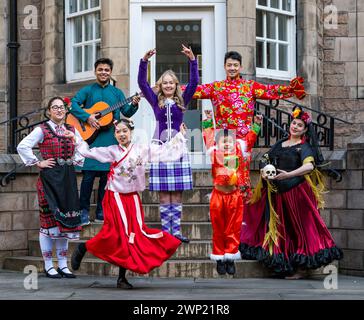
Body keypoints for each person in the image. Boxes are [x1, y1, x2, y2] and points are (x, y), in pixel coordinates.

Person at [70, 118, 189, 289]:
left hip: (132, 197)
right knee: (121, 235)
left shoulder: (142, 149)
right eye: (118, 131)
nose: (121, 134)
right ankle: (86, 249)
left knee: (135, 234)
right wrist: (76, 138)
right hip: (115, 196)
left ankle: (120, 276)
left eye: (124, 130)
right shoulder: (112, 151)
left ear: (131, 132)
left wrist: (180, 137)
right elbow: (89, 152)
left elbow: (164, 151)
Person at [239, 106, 343, 279]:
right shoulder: (281, 143)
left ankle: (301, 268)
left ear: (304, 130)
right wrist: (265, 170)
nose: (295, 126)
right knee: (283, 229)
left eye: (299, 125)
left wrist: (289, 175)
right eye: (294, 123)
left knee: (299, 229)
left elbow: (309, 166)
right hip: (278, 194)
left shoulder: (304, 147)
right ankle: (285, 265)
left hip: (297, 193)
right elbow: (266, 158)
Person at [189, 51, 306, 200]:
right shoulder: (216, 87)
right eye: (229, 65)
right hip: (225, 139)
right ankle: (226, 209)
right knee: (225, 177)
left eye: (235, 65)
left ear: (240, 67)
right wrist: (167, 89)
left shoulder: (249, 87)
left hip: (244, 138)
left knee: (242, 177)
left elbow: (270, 90)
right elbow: (193, 91)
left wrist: (291, 89)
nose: (232, 68)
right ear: (224, 66)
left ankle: (242, 216)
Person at [17, 97, 84, 279]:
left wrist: (76, 149)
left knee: (64, 222)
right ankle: (48, 265)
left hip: (67, 178)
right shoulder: (42, 129)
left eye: (61, 107)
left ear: (66, 110)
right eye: (55, 107)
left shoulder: (71, 130)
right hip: (49, 179)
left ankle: (62, 264)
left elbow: (83, 148)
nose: (59, 110)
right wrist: (38, 162)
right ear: (48, 111)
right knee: (48, 221)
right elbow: (22, 146)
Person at [137, 45, 199, 243]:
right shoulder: (156, 101)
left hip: (179, 149)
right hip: (160, 149)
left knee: (177, 195)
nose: (168, 85)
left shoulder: (183, 100)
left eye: (171, 82)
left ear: (176, 85)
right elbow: (142, 83)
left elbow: (194, 82)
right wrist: (144, 61)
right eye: (165, 83)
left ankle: (176, 232)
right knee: (164, 195)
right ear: (161, 85)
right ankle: (166, 232)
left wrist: (192, 60)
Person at [70, 58, 140, 225]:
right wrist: (88, 117)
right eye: (100, 69)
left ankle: (101, 211)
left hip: (110, 137)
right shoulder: (88, 90)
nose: (103, 72)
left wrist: (135, 105)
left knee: (105, 178)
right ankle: (84, 211)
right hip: (92, 140)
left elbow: (127, 112)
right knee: (88, 177)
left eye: (106, 70)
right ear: (95, 71)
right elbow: (73, 104)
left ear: (110, 72)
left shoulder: (116, 93)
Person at [202, 109, 262, 275]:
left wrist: (256, 125)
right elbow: (207, 136)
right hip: (218, 197)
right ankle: (220, 258)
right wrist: (208, 121)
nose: (226, 144)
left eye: (230, 141)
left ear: (235, 143)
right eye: (223, 141)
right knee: (219, 227)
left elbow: (249, 140)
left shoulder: (238, 152)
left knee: (233, 228)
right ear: (217, 144)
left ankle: (230, 257)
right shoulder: (214, 153)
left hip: (234, 197)